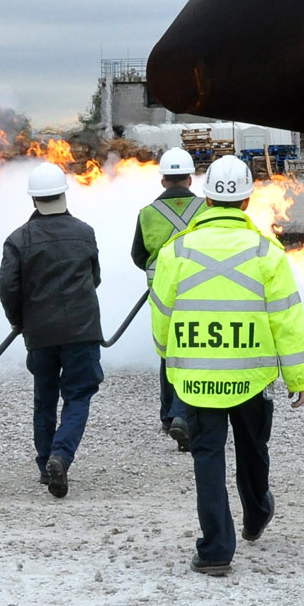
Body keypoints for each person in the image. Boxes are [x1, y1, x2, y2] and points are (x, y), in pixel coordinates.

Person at [150, 154, 304, 575]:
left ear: (205, 199)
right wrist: (298, 376)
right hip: (251, 377)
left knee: (207, 457)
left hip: (198, 378)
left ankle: (217, 550)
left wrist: (172, 357)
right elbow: (287, 319)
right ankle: (257, 514)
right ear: (246, 200)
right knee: (253, 447)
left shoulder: (176, 250)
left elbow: (161, 316)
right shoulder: (266, 251)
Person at [0, 161, 103, 499]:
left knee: (44, 396)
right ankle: (62, 454)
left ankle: (46, 464)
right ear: (63, 194)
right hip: (82, 332)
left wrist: (19, 320)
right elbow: (94, 278)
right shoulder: (85, 232)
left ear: (33, 201)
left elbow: (7, 285)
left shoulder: (18, 239)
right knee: (78, 395)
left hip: (40, 335)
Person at [132, 147, 206, 452]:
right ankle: (183, 414)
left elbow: (138, 256)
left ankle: (169, 417)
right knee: (195, 351)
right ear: (190, 178)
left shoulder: (147, 214)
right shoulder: (206, 208)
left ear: (163, 181)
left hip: (163, 295)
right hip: (201, 291)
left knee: (168, 352)